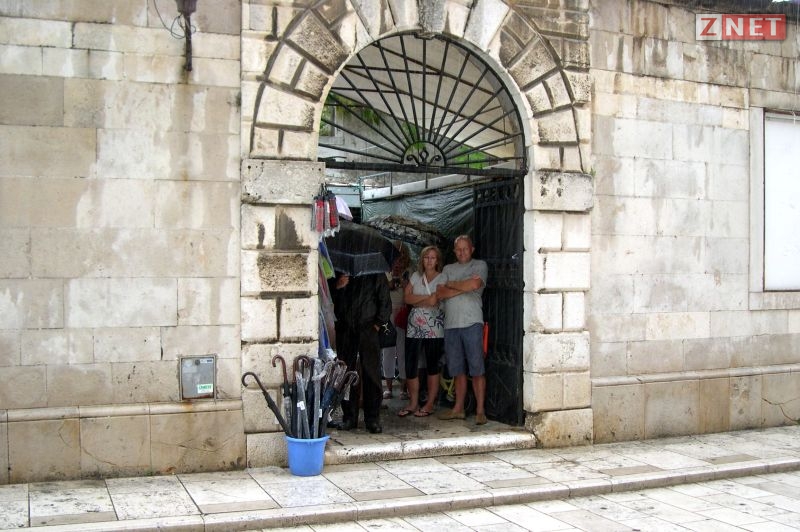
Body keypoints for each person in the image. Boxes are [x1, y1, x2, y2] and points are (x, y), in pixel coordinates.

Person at [435, 235, 489, 425]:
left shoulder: (479, 265)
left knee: (477, 369)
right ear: (454, 251)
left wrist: (451, 285)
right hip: (451, 325)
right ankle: (458, 409)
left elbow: (475, 284)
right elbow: (439, 292)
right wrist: (463, 287)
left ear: (472, 249)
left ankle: (480, 411)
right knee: (457, 369)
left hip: (472, 322)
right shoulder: (448, 269)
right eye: (458, 249)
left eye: (465, 248)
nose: (462, 252)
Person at [329, 271, 391, 433]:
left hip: (368, 327)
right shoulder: (339, 271)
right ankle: (349, 416)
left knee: (372, 373)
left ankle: (372, 418)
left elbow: (385, 300)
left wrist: (378, 324)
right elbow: (328, 297)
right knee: (346, 373)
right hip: (345, 328)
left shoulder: (375, 272)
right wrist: (338, 286)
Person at [399, 245, 445, 417]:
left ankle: (430, 404)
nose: (429, 261)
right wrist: (427, 298)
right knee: (411, 364)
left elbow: (437, 301)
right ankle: (413, 403)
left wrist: (417, 300)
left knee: (433, 364)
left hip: (434, 326)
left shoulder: (442, 277)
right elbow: (407, 298)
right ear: (422, 259)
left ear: (437, 260)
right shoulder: (416, 276)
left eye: (433, 257)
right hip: (414, 326)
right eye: (426, 257)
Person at [382, 242, 411, 401]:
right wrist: (390, 283)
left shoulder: (409, 272)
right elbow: (380, 290)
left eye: (401, 257)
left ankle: (404, 389)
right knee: (388, 350)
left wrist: (402, 282)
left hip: (402, 314)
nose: (398, 261)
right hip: (387, 313)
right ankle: (388, 387)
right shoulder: (385, 271)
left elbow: (410, 293)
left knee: (402, 351)